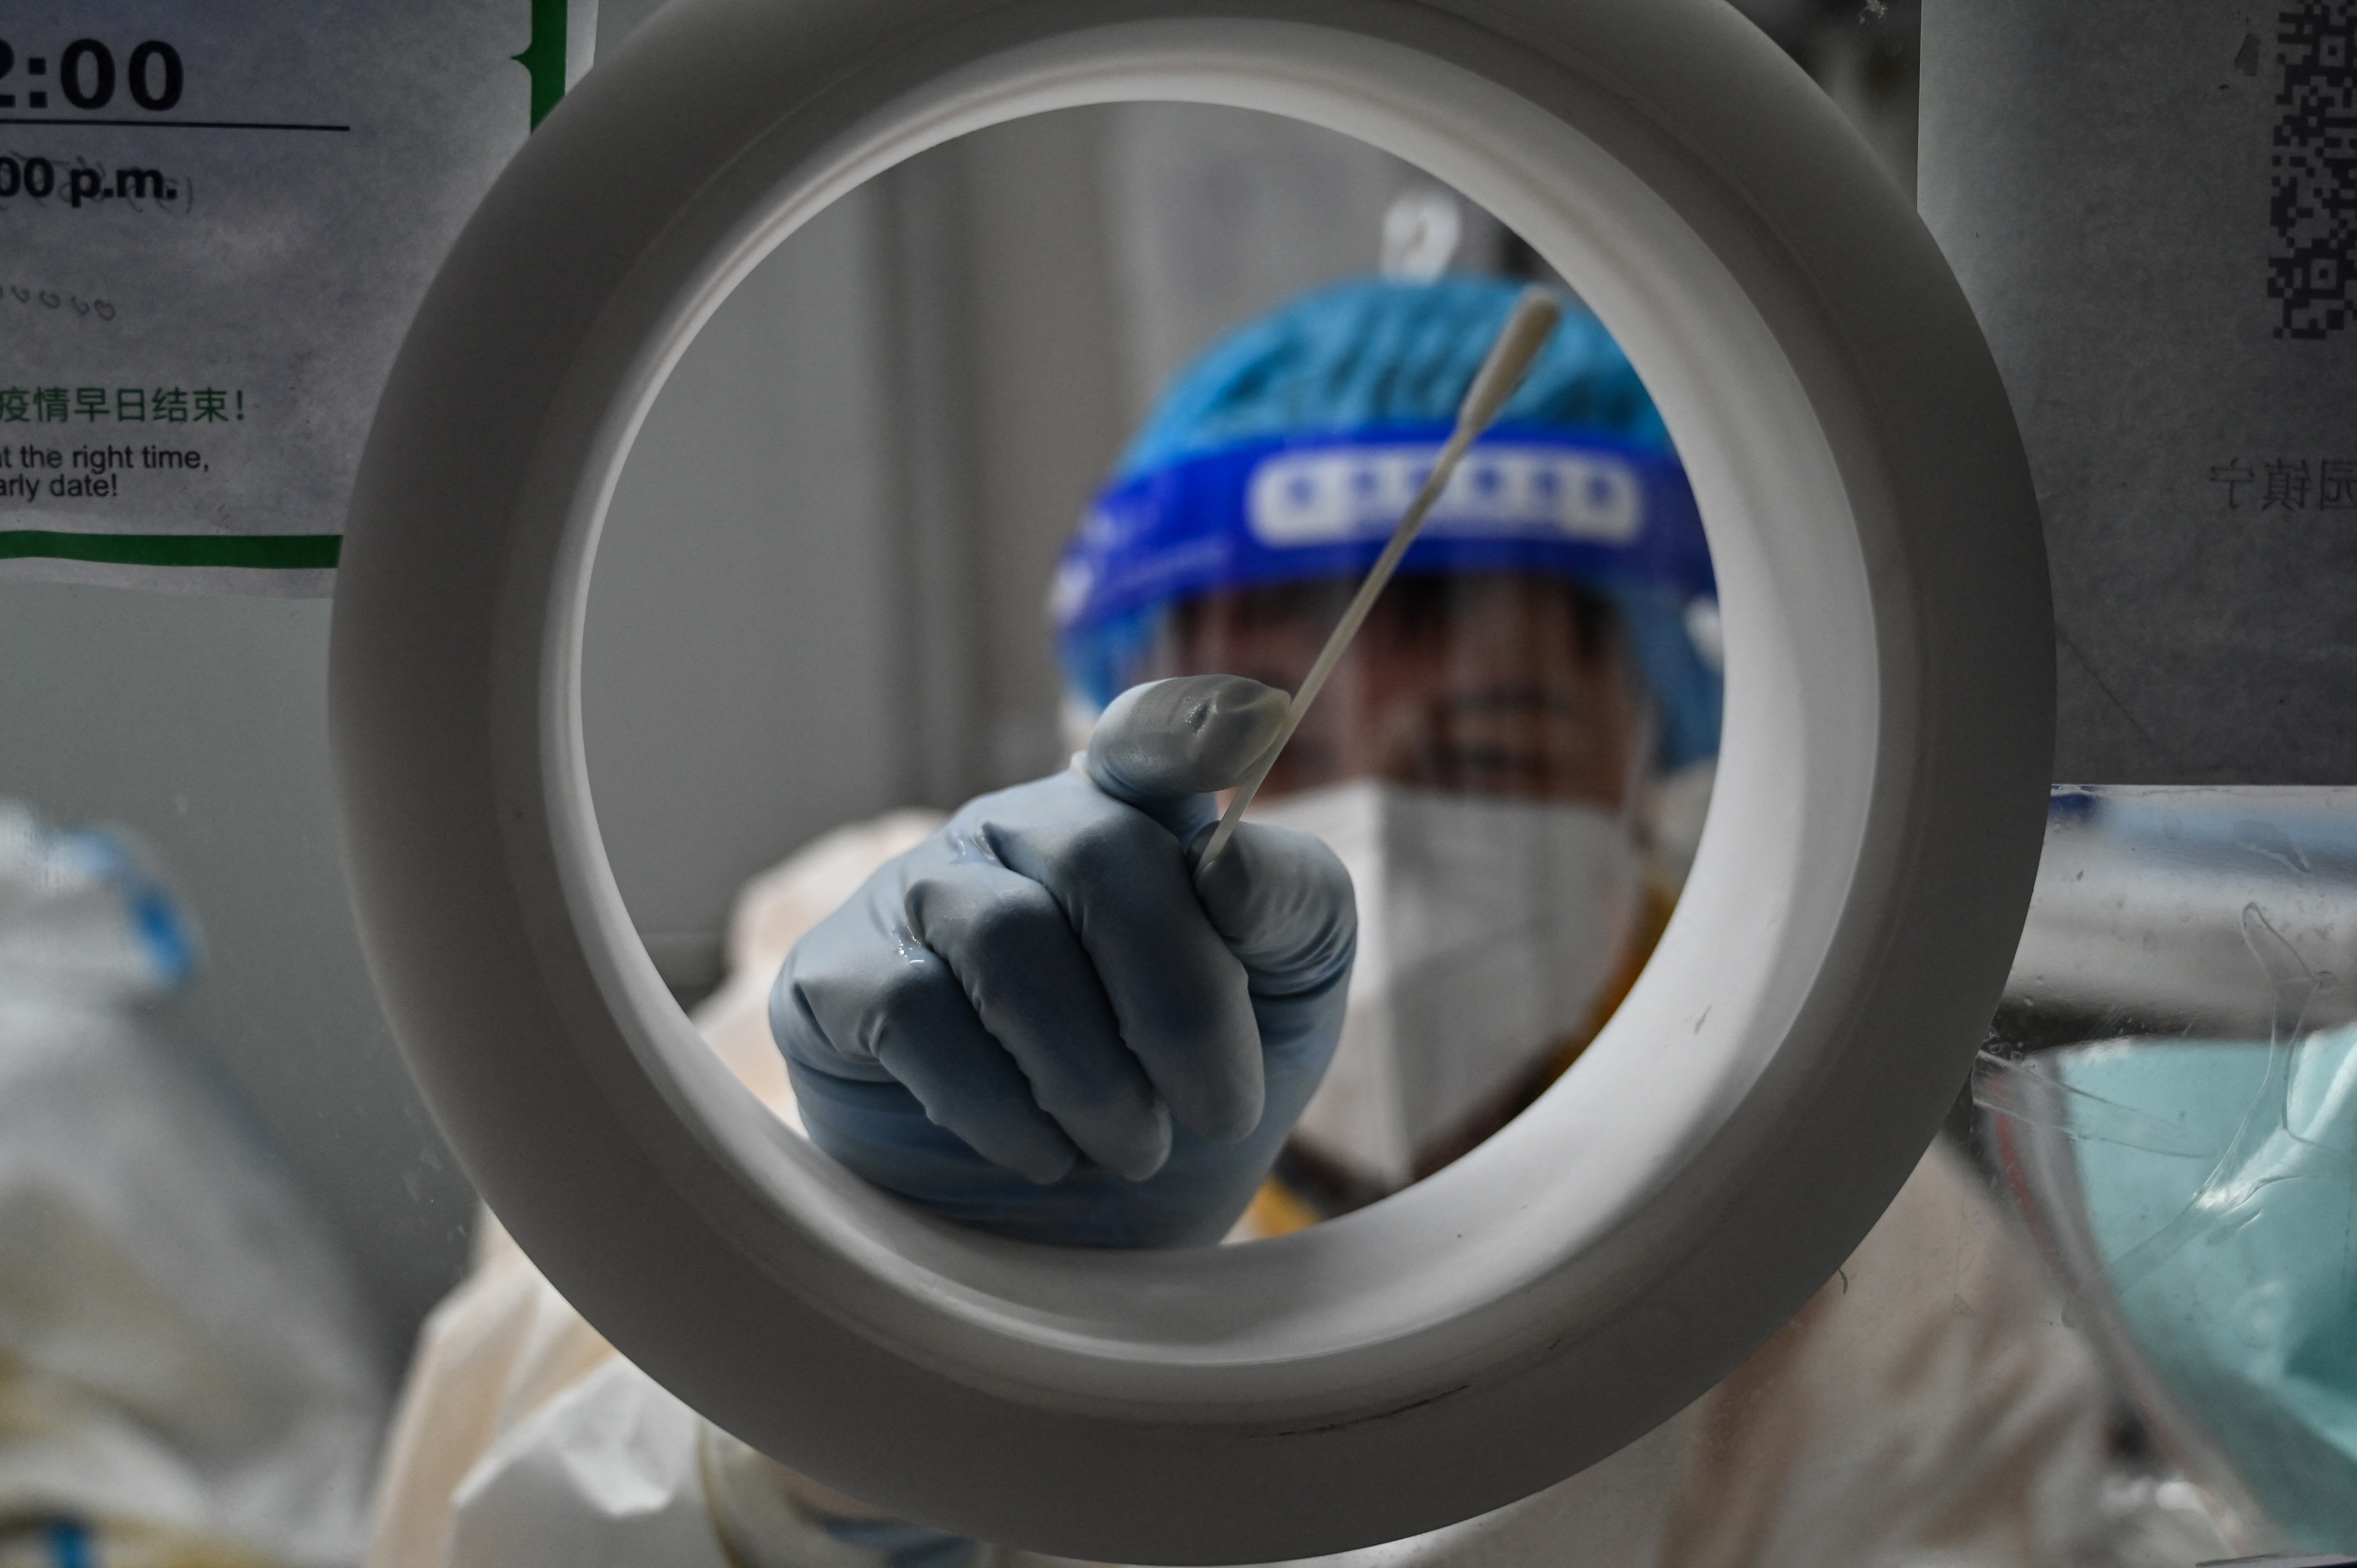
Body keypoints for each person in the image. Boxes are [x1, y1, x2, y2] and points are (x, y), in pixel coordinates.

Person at [366, 277, 2158, 1568]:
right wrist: (835, 1416)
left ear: (1663, 764)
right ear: (1110, 721)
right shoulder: (847, 1033)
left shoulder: (1843, 1250)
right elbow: (485, 1522)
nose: (1371, 822)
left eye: (1497, 743)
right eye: (1270, 743)